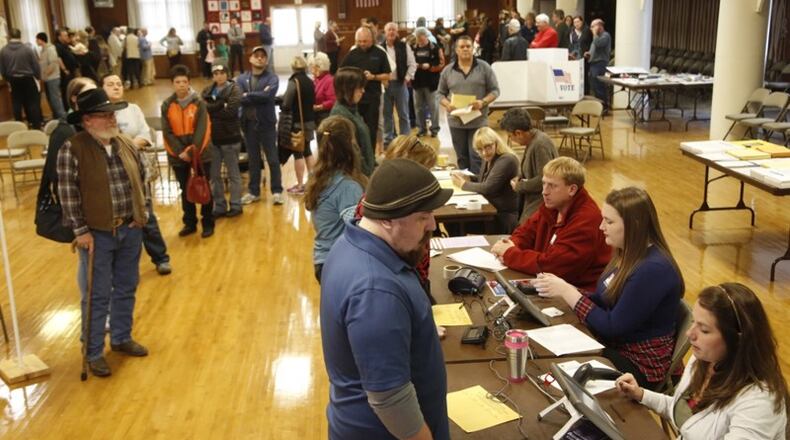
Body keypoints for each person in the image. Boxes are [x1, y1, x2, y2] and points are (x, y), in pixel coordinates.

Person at [321, 158, 451, 440]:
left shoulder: (349, 243)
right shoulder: (376, 290)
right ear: (388, 219)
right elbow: (391, 399)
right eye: (422, 216)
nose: (433, 224)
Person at [534, 187, 684, 389]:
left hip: (639, 367)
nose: (601, 226)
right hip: (618, 346)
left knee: (555, 366)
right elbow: (605, 300)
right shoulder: (627, 254)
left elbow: (613, 327)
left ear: (635, 225)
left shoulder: (653, 270)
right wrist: (567, 289)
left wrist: (569, 293)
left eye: (610, 221)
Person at [57, 87, 149, 377]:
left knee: (126, 286)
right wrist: (81, 232)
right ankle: (93, 350)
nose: (112, 119)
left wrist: (140, 214)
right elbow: (68, 194)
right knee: (96, 296)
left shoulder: (125, 143)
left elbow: (144, 178)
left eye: (112, 114)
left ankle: (121, 337)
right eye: (104, 115)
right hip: (96, 236)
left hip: (129, 229)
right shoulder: (72, 148)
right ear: (87, 120)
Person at [617, 283, 789, 438]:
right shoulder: (704, 360)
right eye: (693, 322)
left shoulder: (759, 403)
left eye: (704, 330)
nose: (689, 334)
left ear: (737, 340)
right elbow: (685, 411)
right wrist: (641, 394)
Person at [491, 157, 611, 291]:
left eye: (552, 185)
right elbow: (526, 231)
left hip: (579, 293)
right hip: (548, 283)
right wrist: (511, 244)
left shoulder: (586, 219)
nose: (544, 191)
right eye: (544, 183)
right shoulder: (555, 204)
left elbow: (554, 266)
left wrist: (509, 254)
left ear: (572, 189)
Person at [102, 73, 172, 275]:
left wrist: (126, 144)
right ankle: (124, 268)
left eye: (118, 84)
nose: (116, 87)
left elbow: (145, 134)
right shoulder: (100, 113)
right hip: (111, 173)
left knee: (145, 214)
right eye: (110, 84)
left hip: (135, 168)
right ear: (102, 88)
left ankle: (161, 258)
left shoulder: (133, 109)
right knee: (120, 220)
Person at [305, 116, 367, 282]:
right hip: (341, 263)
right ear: (350, 146)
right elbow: (358, 233)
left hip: (323, 259)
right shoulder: (347, 187)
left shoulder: (318, 176)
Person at [161, 65, 215, 237]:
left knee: (204, 187)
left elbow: (202, 130)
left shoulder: (199, 103)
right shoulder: (167, 105)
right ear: (172, 84)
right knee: (186, 190)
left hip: (200, 154)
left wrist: (191, 152)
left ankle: (208, 222)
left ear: (189, 82)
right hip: (178, 155)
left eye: (184, 81)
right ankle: (190, 223)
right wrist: (180, 152)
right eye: (177, 82)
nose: (181, 85)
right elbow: (167, 131)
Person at [437, 35, 500, 174]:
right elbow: (439, 94)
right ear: (456, 50)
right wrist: (447, 104)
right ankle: (466, 187)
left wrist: (482, 102)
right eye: (462, 47)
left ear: (473, 49)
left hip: (478, 120)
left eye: (468, 46)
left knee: (477, 156)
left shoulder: (484, 67)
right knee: (462, 157)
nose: (465, 49)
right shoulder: (448, 70)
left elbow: (495, 91)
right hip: (456, 121)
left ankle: (479, 187)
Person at [451, 127, 519, 233]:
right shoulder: (489, 158)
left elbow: (488, 187)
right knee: (453, 221)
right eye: (479, 149)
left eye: (488, 147)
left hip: (501, 217)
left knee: (454, 223)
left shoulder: (507, 160)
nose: (484, 153)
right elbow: (485, 179)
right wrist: (468, 177)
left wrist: (463, 184)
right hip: (489, 210)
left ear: (496, 143)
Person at [237, 46, 282, 205]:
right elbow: (239, 97)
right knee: (253, 160)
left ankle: (277, 191)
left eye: (263, 56)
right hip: (249, 125)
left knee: (273, 159)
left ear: (266, 60)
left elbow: (268, 95)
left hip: (267, 125)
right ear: (251, 59)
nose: (260, 58)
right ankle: (253, 192)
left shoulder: (272, 78)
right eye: (257, 56)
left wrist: (248, 95)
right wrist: (259, 95)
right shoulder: (242, 79)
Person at [340, 26, 391, 159]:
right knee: (355, 128)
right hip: (354, 99)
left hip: (373, 97)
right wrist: (355, 76)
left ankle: (370, 157)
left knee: (371, 128)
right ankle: (356, 157)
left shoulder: (380, 53)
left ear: (372, 40)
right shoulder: (352, 53)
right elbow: (341, 72)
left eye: (365, 41)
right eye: (359, 41)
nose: (362, 44)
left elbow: (388, 75)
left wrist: (373, 77)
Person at [500, 107, 558, 221]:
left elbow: (545, 180)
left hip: (541, 204)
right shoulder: (533, 140)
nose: (510, 139)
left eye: (510, 136)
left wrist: (519, 186)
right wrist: (520, 177)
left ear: (518, 133)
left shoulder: (540, 145)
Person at [201, 64, 243, 218]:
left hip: (230, 138)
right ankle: (219, 206)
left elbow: (231, 112)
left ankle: (236, 204)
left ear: (227, 74)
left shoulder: (235, 89)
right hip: (212, 140)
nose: (219, 76)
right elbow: (203, 109)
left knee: (233, 175)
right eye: (216, 73)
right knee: (214, 176)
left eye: (222, 73)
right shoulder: (207, 90)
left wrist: (213, 107)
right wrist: (220, 104)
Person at [279, 56, 316, 194]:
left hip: (297, 123)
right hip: (310, 121)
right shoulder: (310, 81)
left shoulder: (294, 81)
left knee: (298, 154)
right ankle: (312, 182)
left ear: (293, 68)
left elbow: (287, 102)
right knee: (307, 151)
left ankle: (300, 185)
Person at [330, 67, 375, 175]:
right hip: (357, 177)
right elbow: (351, 153)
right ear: (347, 89)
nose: (363, 91)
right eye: (359, 87)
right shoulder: (340, 115)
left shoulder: (352, 109)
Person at [381, 22, 417, 147]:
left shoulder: (404, 46)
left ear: (397, 32)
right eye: (389, 30)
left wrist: (407, 78)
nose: (391, 32)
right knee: (387, 115)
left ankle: (405, 140)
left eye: (394, 30)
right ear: (385, 32)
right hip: (384, 85)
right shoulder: (380, 47)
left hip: (400, 84)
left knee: (404, 114)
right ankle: (388, 141)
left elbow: (412, 64)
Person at [0, 28, 43, 129]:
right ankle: (36, 126)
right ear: (20, 36)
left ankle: (19, 127)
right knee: (33, 104)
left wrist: (8, 79)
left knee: (16, 104)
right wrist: (38, 77)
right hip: (28, 79)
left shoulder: (4, 50)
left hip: (13, 80)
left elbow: (2, 69)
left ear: (9, 36)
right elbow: (35, 66)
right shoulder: (27, 49)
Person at [411, 27, 444, 138]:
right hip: (417, 82)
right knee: (418, 107)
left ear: (426, 36)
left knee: (433, 107)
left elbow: (441, 63)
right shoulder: (413, 48)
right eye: (417, 36)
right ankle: (421, 129)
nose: (419, 38)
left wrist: (430, 66)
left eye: (421, 36)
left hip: (431, 83)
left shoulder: (435, 47)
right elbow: (409, 62)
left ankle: (434, 129)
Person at [35, 32, 66, 120]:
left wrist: (45, 74)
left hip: (53, 78)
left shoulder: (50, 49)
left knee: (55, 99)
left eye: (37, 39)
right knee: (50, 99)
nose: (36, 41)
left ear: (41, 40)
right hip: (47, 79)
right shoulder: (43, 50)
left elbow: (53, 64)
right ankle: (56, 118)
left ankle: (63, 118)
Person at [586, 19, 612, 112]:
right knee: (594, 86)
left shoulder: (605, 35)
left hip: (600, 63)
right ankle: (597, 107)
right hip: (593, 63)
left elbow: (599, 43)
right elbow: (594, 48)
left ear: (600, 26)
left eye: (593, 26)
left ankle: (604, 107)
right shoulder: (596, 36)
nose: (591, 28)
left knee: (599, 86)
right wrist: (589, 53)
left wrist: (594, 33)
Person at [56, 28, 80, 112]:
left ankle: (74, 107)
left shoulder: (66, 45)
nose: (67, 37)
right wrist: (64, 69)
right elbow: (58, 59)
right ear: (59, 37)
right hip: (66, 73)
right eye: (65, 35)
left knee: (73, 90)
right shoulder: (58, 46)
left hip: (72, 71)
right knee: (67, 91)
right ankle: (68, 109)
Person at [310, 52, 336, 128]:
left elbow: (333, 101)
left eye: (314, 67)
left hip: (325, 115)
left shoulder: (329, 80)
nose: (312, 70)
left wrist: (319, 107)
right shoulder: (316, 79)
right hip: (317, 115)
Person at [572, 17, 593, 94]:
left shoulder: (587, 30)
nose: (576, 24)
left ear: (582, 22)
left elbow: (591, 42)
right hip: (576, 57)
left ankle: (586, 93)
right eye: (574, 22)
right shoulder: (573, 32)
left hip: (585, 57)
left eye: (578, 22)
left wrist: (588, 52)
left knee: (584, 76)